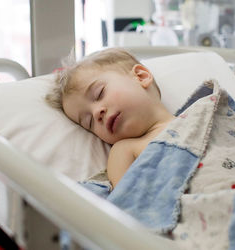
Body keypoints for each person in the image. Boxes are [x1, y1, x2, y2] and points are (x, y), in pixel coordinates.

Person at [46, 48, 175, 188]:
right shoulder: (125, 150)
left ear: (140, 76)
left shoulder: (199, 109)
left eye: (99, 94)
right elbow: (126, 200)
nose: (96, 113)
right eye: (89, 122)